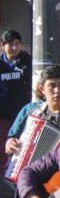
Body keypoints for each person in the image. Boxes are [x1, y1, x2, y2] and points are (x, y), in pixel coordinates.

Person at [0, 30, 32, 175]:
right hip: (4, 118)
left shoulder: (28, 62)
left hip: (24, 118)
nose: (14, 47)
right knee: (3, 154)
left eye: (17, 44)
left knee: (23, 152)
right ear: (2, 45)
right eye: (11, 44)